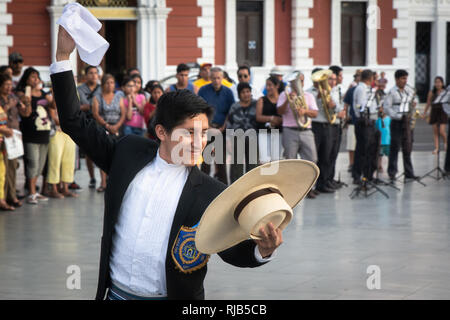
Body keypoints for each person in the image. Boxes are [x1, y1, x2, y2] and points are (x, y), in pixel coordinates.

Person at [51, 26, 282, 300]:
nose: (200, 142)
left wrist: (262, 250)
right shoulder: (127, 154)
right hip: (114, 295)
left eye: (204, 133)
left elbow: (231, 249)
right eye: (189, 133)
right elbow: (74, 123)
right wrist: (63, 55)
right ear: (162, 132)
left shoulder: (211, 192)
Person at [277, 71, 318, 198]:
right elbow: (280, 111)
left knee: (312, 160)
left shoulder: (309, 96)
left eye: (300, 81)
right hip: (290, 131)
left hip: (306, 131)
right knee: (290, 161)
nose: (297, 84)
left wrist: (304, 110)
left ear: (303, 82)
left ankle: (309, 188)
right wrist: (288, 101)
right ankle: (290, 189)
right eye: (295, 82)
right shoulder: (284, 95)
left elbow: (315, 113)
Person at [15, 67, 53, 204]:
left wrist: (54, 91)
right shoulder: (22, 93)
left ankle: (35, 192)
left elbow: (53, 105)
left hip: (44, 131)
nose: (35, 79)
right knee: (32, 162)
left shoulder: (43, 93)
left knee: (40, 165)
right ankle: (31, 192)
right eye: (32, 76)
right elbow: (26, 112)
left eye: (37, 76)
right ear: (26, 79)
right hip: (31, 133)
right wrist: (29, 93)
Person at [198, 67, 235, 185]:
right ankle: (203, 185)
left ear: (222, 78)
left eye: (218, 78)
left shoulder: (228, 92)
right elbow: (200, 110)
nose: (216, 81)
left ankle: (223, 186)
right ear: (210, 78)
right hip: (206, 128)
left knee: (221, 160)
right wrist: (207, 126)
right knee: (206, 160)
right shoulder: (203, 90)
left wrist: (224, 126)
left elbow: (231, 111)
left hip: (222, 129)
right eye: (213, 78)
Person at [91, 73, 126, 192]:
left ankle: (114, 181)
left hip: (117, 129)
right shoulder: (97, 97)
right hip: (103, 128)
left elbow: (123, 113)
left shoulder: (118, 97)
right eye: (107, 83)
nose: (110, 85)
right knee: (104, 155)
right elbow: (95, 114)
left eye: (112, 82)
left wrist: (116, 126)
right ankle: (103, 183)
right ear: (103, 84)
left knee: (116, 156)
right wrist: (106, 125)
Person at [383, 69, 419, 182]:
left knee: (407, 148)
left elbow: (414, 99)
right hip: (397, 122)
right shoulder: (391, 92)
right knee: (394, 148)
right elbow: (386, 108)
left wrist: (414, 104)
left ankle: (409, 172)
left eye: (406, 78)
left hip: (407, 121)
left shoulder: (408, 90)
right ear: (397, 79)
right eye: (403, 78)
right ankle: (392, 172)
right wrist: (397, 116)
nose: (405, 81)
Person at [307, 68, 338, 193]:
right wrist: (319, 97)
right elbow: (309, 106)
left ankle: (323, 183)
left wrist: (332, 104)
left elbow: (336, 107)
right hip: (315, 125)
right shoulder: (309, 92)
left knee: (326, 155)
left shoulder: (329, 91)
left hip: (327, 125)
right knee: (315, 157)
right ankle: (311, 186)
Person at [0, 74, 28, 208]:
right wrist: (8, 106)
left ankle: (12, 195)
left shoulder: (13, 97)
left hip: (13, 135)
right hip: (3, 135)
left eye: (10, 85)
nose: (8, 87)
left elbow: (25, 113)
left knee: (13, 167)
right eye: (6, 85)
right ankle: (4, 197)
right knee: (3, 168)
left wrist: (26, 103)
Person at [352, 69, 381, 184]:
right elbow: (361, 106)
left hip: (371, 122)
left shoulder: (369, 89)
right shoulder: (361, 89)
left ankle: (368, 174)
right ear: (370, 79)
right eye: (374, 78)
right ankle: (357, 175)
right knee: (362, 150)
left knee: (371, 150)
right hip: (363, 123)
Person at [227, 82, 258, 183]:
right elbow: (229, 124)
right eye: (243, 92)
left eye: (248, 91)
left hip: (253, 138)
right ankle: (235, 187)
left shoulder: (256, 104)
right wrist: (229, 141)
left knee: (253, 165)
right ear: (239, 94)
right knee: (237, 165)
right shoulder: (234, 107)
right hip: (238, 138)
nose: (246, 94)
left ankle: (252, 187)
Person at [46, 100, 78, 198]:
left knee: (68, 161)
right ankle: (54, 189)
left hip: (68, 133)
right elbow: (54, 117)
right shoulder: (53, 102)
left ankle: (65, 188)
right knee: (54, 161)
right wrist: (69, 121)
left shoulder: (71, 100)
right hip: (57, 133)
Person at [77, 65, 101, 189]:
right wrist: (89, 106)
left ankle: (104, 179)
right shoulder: (80, 89)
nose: (93, 75)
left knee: (102, 150)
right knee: (88, 152)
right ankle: (92, 178)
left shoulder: (101, 88)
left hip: (100, 121)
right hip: (85, 122)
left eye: (95, 73)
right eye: (91, 73)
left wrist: (89, 106)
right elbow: (79, 105)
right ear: (86, 75)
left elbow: (90, 105)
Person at [255, 76, 282, 164]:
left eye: (270, 85)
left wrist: (279, 120)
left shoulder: (282, 100)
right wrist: (272, 118)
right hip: (264, 133)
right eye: (266, 85)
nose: (267, 88)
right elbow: (258, 117)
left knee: (277, 161)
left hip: (279, 133)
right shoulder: (262, 100)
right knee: (264, 161)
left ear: (277, 86)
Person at [327, 66, 346, 188]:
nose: (341, 78)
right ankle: (326, 180)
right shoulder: (327, 91)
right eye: (339, 76)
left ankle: (331, 178)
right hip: (330, 125)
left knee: (334, 154)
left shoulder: (338, 89)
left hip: (338, 124)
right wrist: (337, 113)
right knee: (327, 155)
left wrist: (342, 113)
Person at [422, 76, 448, 154]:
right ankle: (436, 148)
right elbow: (428, 103)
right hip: (434, 112)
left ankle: (446, 143)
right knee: (435, 131)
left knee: (441, 131)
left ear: (442, 83)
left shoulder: (445, 92)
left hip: (442, 112)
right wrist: (425, 113)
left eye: (439, 82)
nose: (437, 84)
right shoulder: (432, 92)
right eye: (436, 82)